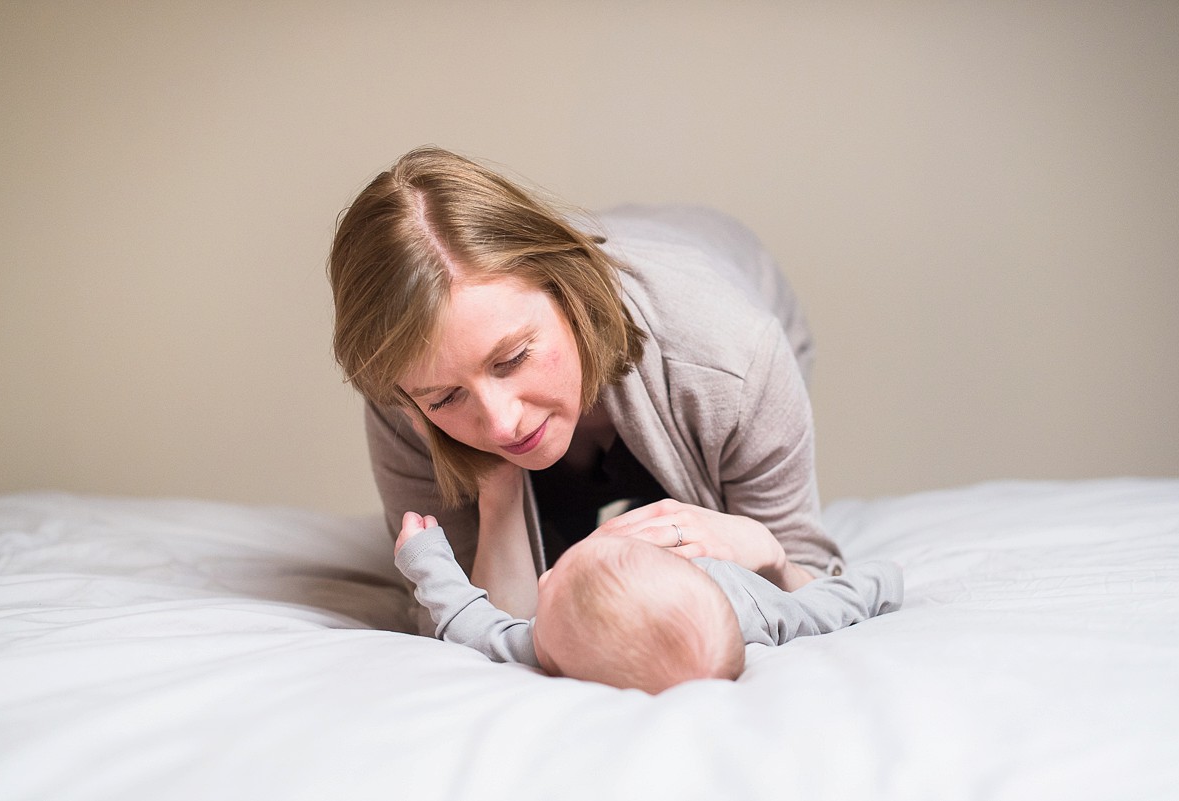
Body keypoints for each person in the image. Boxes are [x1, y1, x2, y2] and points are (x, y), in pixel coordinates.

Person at [329, 145, 845, 634]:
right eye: (445, 398)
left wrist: (763, 548)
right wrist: (498, 491)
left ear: (567, 291)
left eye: (511, 359)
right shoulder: (407, 388)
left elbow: (815, 586)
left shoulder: (732, 356)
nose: (502, 423)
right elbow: (466, 617)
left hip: (717, 287)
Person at [394, 510, 903, 694]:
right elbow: (834, 604)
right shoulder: (760, 611)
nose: (542, 580)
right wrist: (878, 581)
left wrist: (428, 562)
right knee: (826, 607)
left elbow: (469, 620)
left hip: (703, 583)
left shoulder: (541, 646)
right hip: (720, 586)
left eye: (552, 579)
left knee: (830, 602)